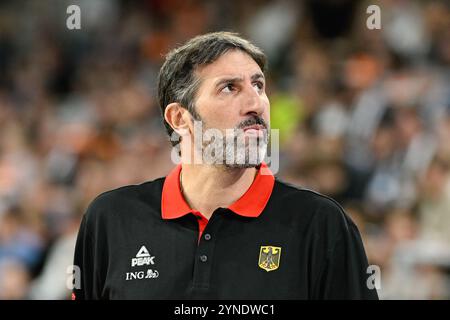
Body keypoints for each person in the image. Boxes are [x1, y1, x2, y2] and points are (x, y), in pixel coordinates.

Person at [72, 32, 378, 300]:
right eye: (229, 88)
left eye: (258, 86)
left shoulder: (321, 225)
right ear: (180, 119)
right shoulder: (111, 220)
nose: (255, 103)